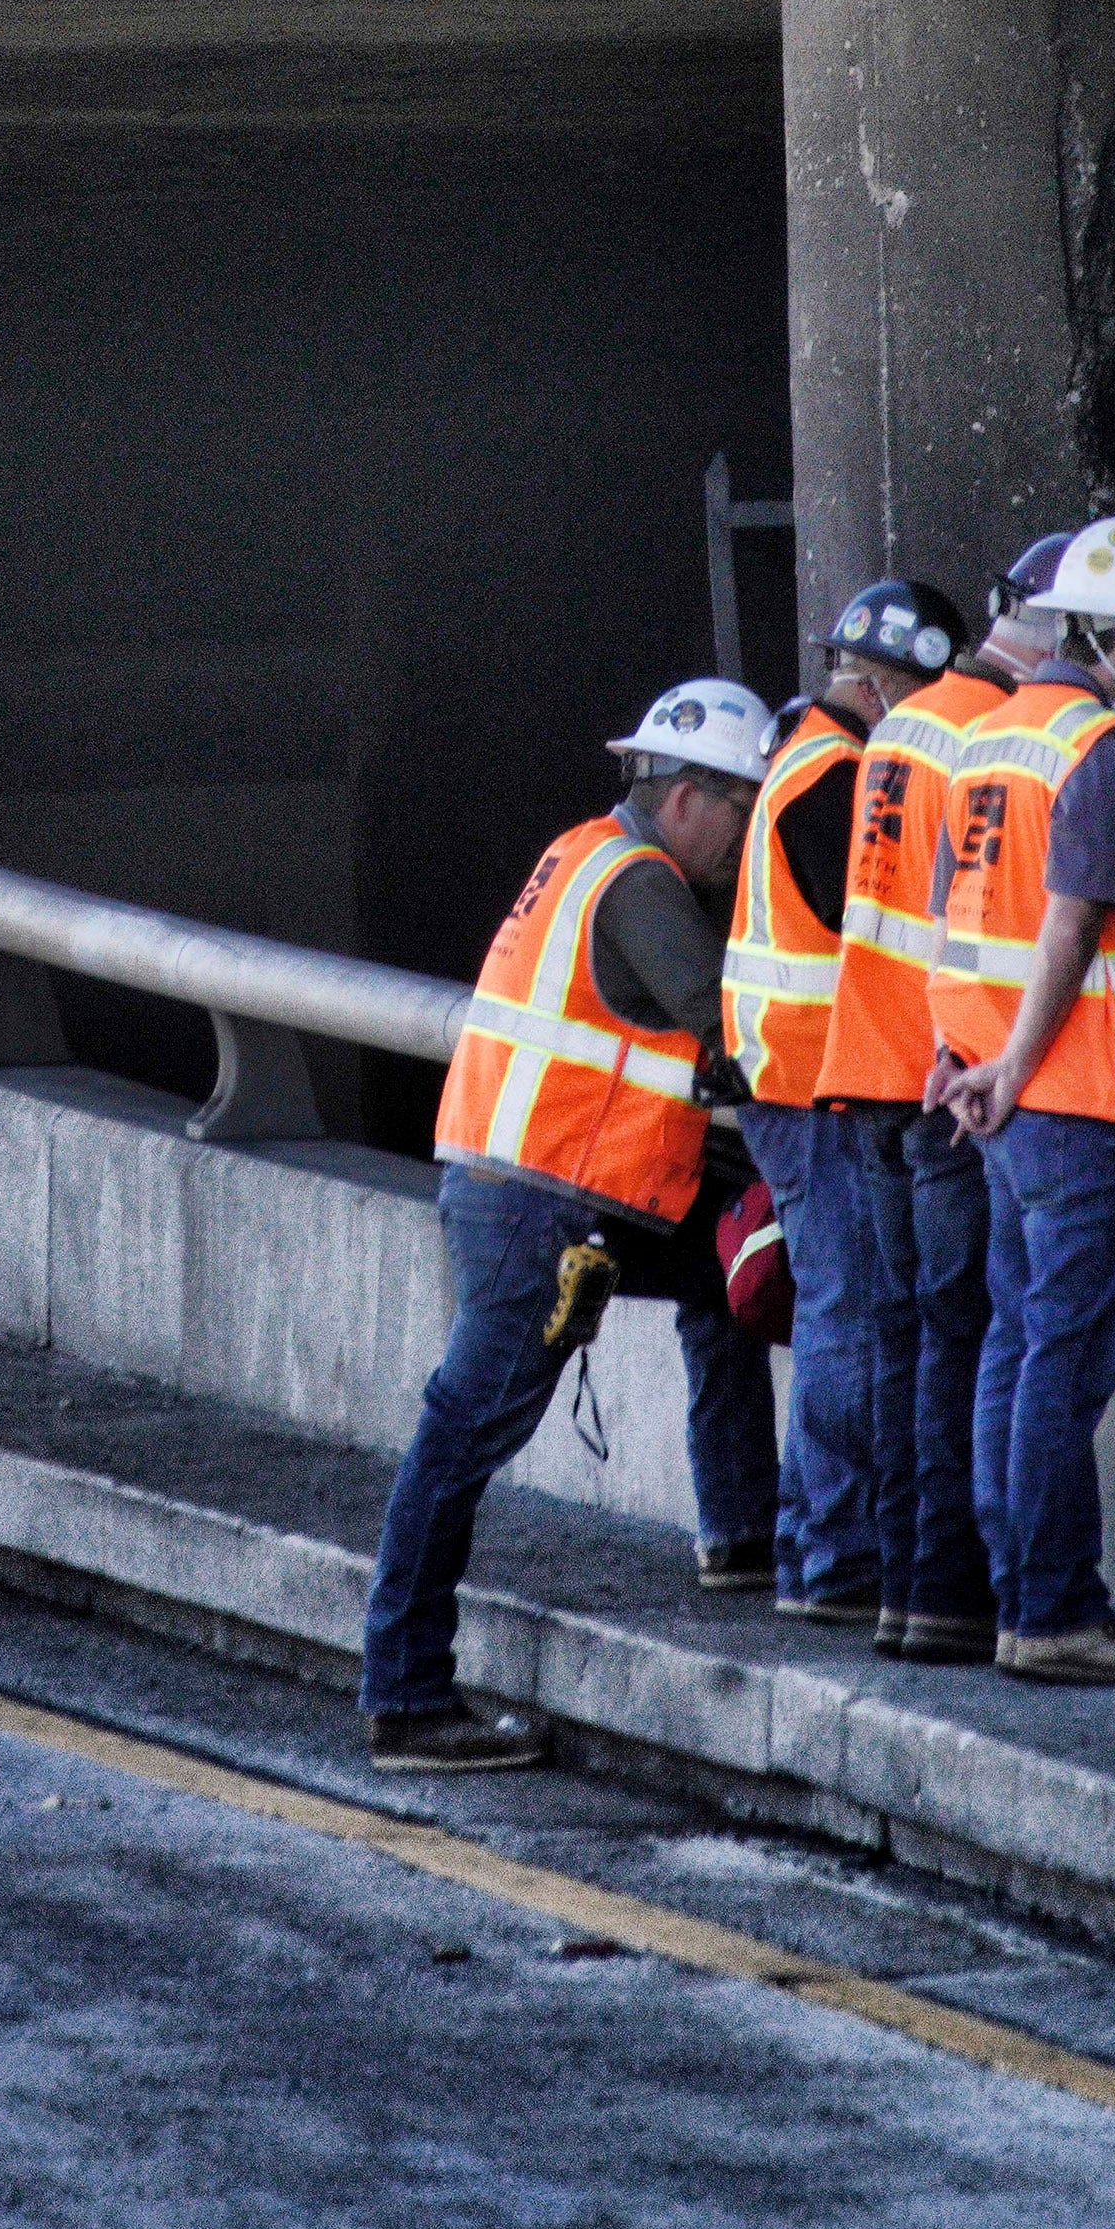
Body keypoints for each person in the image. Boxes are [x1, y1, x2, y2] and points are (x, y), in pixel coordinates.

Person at [361, 677, 790, 1770]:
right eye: (744, 812)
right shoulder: (643, 887)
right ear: (690, 795)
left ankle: (745, 1533)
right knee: (460, 1435)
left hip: (565, 1186)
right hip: (542, 1200)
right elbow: (731, 1029)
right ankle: (405, 1696)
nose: (748, 840)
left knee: (732, 1271)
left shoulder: (584, 851)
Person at [926, 513, 1115, 1687]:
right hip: (1075, 1100)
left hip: (1004, 1099)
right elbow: (1068, 924)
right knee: (1059, 1355)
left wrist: (964, 1059)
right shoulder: (1096, 745)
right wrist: (1013, 1064)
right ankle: (1052, 1606)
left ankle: (1019, 1593)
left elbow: (958, 926)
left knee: (1015, 1339)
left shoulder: (991, 736)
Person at [803, 547, 1050, 1664]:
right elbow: (980, 917)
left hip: (867, 1068)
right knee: (958, 1333)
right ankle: (952, 1594)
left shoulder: (900, 729)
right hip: (937, 1076)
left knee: (907, 1338)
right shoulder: (995, 735)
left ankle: (911, 1591)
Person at [728, 572, 977, 1633]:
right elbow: (872, 920)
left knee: (848, 1309)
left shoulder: (811, 761)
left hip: (794, 1071)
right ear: (887, 687)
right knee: (848, 1311)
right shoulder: (838, 775)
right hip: (814, 1076)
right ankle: (834, 1554)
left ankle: (815, 1546)